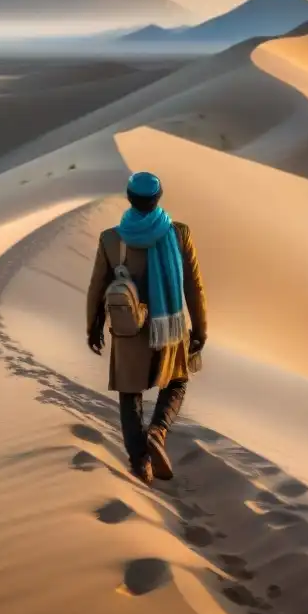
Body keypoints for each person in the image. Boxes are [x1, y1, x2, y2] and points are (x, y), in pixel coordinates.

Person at [86, 172, 207, 486]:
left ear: (129, 198)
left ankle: (141, 463)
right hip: (170, 330)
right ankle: (158, 431)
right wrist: (200, 329)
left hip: (129, 332)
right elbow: (194, 287)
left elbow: (97, 287)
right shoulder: (179, 234)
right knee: (177, 381)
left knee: (130, 395)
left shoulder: (112, 239)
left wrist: (93, 326)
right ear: (158, 198)